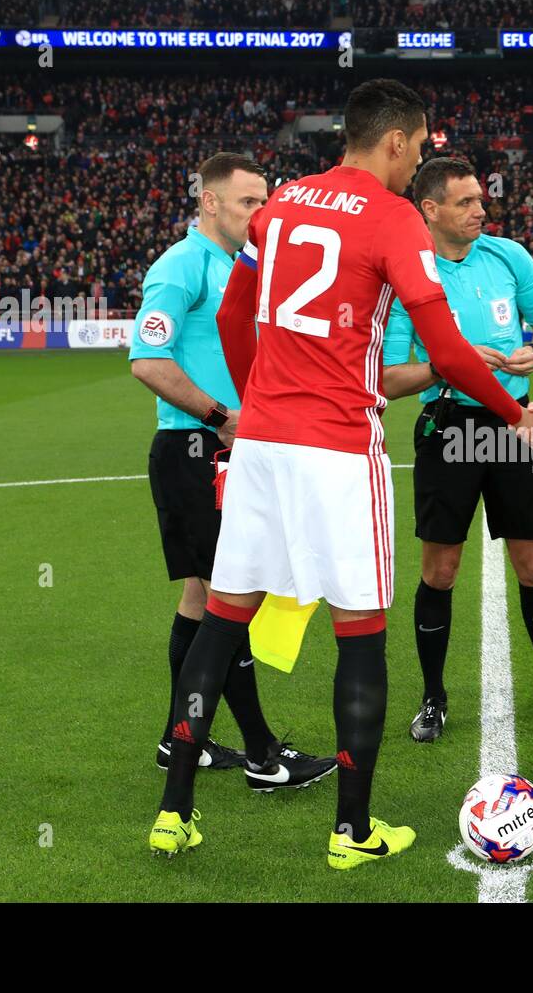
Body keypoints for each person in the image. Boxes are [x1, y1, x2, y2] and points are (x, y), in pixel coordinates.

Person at [148, 80, 533, 867]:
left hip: (263, 444)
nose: (416, 166)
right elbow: (443, 353)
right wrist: (517, 416)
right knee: (360, 634)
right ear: (399, 141)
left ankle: (174, 811)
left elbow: (238, 320)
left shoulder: (281, 205)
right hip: (340, 446)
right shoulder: (393, 217)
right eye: (419, 146)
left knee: (222, 617)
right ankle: (353, 830)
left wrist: (258, 401)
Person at [130, 152, 336, 790]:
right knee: (230, 599)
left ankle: (176, 737)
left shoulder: (249, 264)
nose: (262, 212)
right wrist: (223, 415)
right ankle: (262, 754)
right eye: (249, 201)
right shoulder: (181, 265)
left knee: (203, 597)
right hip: (194, 451)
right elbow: (148, 361)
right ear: (210, 202)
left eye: (266, 200)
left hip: (229, 451)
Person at [382, 156, 533, 742]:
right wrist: (454, 365)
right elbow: (392, 379)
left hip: (514, 426)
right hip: (448, 427)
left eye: (479, 200)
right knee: (440, 570)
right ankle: (434, 697)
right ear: (431, 209)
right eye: (466, 202)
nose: (480, 209)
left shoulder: (509, 257)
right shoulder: (408, 273)